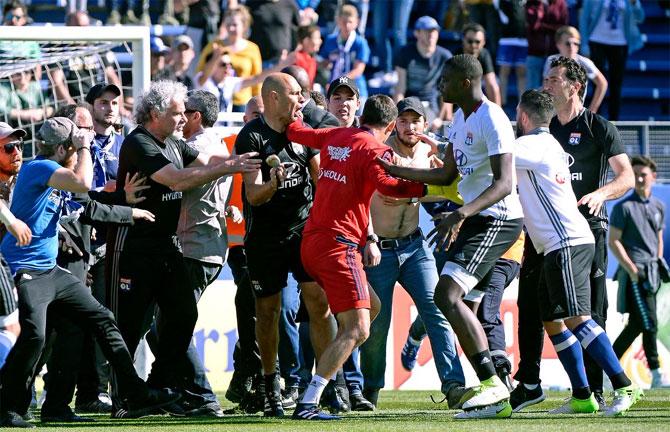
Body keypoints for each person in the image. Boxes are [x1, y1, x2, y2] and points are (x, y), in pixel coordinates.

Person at [0, 117, 180, 428]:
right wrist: (85, 149)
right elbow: (83, 185)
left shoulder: (53, 176)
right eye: (77, 144)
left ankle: (129, 393)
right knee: (34, 336)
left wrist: (129, 211)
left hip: (51, 271)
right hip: (23, 270)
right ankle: (8, 406)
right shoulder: (41, 168)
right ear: (62, 149)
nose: (84, 147)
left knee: (99, 319)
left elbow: (88, 206)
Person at [378, 54, 524, 419]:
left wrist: (460, 213)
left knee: (446, 294)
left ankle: (490, 384)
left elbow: (506, 184)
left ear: (463, 83)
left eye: (444, 80)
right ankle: (495, 393)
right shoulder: (459, 119)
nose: (438, 85)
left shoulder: (492, 119)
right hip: (477, 218)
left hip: (497, 219)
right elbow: (445, 177)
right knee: (464, 304)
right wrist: (395, 169)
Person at [105, 80, 260, 416]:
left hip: (167, 245)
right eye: (177, 113)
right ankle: (124, 399)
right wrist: (229, 167)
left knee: (184, 314)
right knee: (130, 327)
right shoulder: (139, 143)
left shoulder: (174, 141)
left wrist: (253, 153)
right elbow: (176, 179)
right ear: (155, 113)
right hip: (134, 245)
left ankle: (158, 387)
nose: (183, 120)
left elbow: (212, 158)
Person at [285, 93, 427, 420]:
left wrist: (294, 113)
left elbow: (297, 133)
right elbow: (389, 186)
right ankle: (311, 400)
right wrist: (427, 187)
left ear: (362, 116)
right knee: (359, 329)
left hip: (312, 241)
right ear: (391, 125)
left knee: (371, 308)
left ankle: (332, 365)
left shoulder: (337, 135)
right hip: (339, 245)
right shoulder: (373, 149)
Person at [511, 56, 634, 412]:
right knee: (536, 309)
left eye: (553, 79)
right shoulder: (544, 129)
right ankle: (531, 384)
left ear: (574, 86)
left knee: (587, 312)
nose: (546, 84)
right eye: (546, 79)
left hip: (583, 229)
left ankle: (600, 389)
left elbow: (625, 177)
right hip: (543, 235)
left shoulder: (598, 127)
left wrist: (600, 194)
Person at [233, 73, 335, 418]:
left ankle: (322, 387)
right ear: (274, 98)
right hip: (264, 237)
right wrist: (273, 183)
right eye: (295, 93)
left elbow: (320, 180)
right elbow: (253, 195)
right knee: (268, 311)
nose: (301, 99)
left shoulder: (303, 130)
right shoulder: (252, 136)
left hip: (304, 231)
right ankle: (270, 384)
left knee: (318, 302)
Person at [360, 97, 467, 409]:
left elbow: (457, 188)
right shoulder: (381, 150)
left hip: (415, 245)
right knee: (377, 325)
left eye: (415, 121)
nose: (410, 127)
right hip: (379, 248)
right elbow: (362, 198)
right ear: (394, 124)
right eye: (403, 121)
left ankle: (454, 386)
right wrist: (367, 238)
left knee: (439, 311)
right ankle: (370, 390)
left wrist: (443, 160)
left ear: (425, 124)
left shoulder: (429, 152)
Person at [611, 156, 670, 388]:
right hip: (635, 274)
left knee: (638, 324)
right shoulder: (623, 207)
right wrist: (633, 270)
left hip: (652, 274)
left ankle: (607, 366)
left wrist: (657, 262)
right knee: (650, 322)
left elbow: (657, 239)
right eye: (635, 174)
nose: (639, 178)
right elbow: (614, 241)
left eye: (643, 174)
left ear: (653, 177)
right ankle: (655, 372)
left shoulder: (658, 206)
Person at [223, 97, 263, 407]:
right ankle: (249, 374)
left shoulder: (277, 146)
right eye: (252, 114)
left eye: (261, 114)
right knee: (251, 301)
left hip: (266, 241)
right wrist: (228, 206)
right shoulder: (229, 143)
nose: (255, 119)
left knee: (256, 305)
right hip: (238, 244)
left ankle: (246, 375)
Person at [580, 0, 644, 120]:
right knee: (597, 83)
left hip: (620, 43)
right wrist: (584, 44)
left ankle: (614, 121)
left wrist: (635, 4)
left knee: (616, 85)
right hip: (596, 41)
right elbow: (584, 18)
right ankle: (595, 120)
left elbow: (640, 17)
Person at [0, 122, 31, 371]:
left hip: (15, 268)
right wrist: (11, 221)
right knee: (11, 327)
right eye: (8, 147)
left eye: (19, 146)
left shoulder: (22, 182)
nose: (16, 152)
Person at [197, 6, 262, 111]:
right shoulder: (214, 45)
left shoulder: (252, 48)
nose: (231, 28)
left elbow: (256, 80)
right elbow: (200, 72)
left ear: (244, 26)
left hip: (243, 103)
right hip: (217, 102)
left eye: (235, 25)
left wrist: (258, 103)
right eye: (228, 25)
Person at [393, 16, 453, 130]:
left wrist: (440, 119)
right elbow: (400, 88)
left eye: (434, 31)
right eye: (427, 30)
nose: (431, 34)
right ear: (417, 33)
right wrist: (398, 114)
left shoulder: (445, 56)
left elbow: (447, 91)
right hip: (409, 102)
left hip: (432, 102)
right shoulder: (405, 53)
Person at [543, 26, 608, 114]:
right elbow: (546, 85)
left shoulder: (585, 63)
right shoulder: (551, 61)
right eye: (568, 43)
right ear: (558, 44)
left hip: (575, 113)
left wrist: (592, 110)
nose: (572, 46)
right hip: (554, 113)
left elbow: (602, 83)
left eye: (576, 43)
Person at [320, 4, 371, 105]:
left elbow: (358, 70)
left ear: (357, 22)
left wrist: (339, 82)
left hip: (356, 90)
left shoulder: (360, 43)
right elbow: (324, 62)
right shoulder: (330, 40)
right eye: (344, 22)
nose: (347, 25)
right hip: (334, 91)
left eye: (350, 22)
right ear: (338, 21)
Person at [525, 0, 568, 90]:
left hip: (554, 53)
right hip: (535, 51)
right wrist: (540, 5)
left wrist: (544, 26)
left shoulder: (560, 3)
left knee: (551, 88)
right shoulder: (532, 3)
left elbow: (563, 28)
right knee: (532, 89)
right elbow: (534, 24)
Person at [456, 23, 502, 106]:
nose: (473, 45)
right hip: (458, 102)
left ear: (483, 42)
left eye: (477, 42)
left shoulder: (484, 54)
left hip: (476, 97)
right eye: (470, 41)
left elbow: (491, 85)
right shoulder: (455, 56)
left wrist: (498, 113)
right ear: (463, 40)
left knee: (494, 83)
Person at [247, 0, 300, 69]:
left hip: (283, 61)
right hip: (259, 61)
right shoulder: (251, 4)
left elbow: (297, 30)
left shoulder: (289, 4)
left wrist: (291, 54)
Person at [496, 0, 527, 107]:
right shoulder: (500, 2)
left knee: (522, 73)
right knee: (504, 72)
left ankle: (523, 105)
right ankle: (501, 105)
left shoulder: (525, 2)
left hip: (523, 41)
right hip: (506, 40)